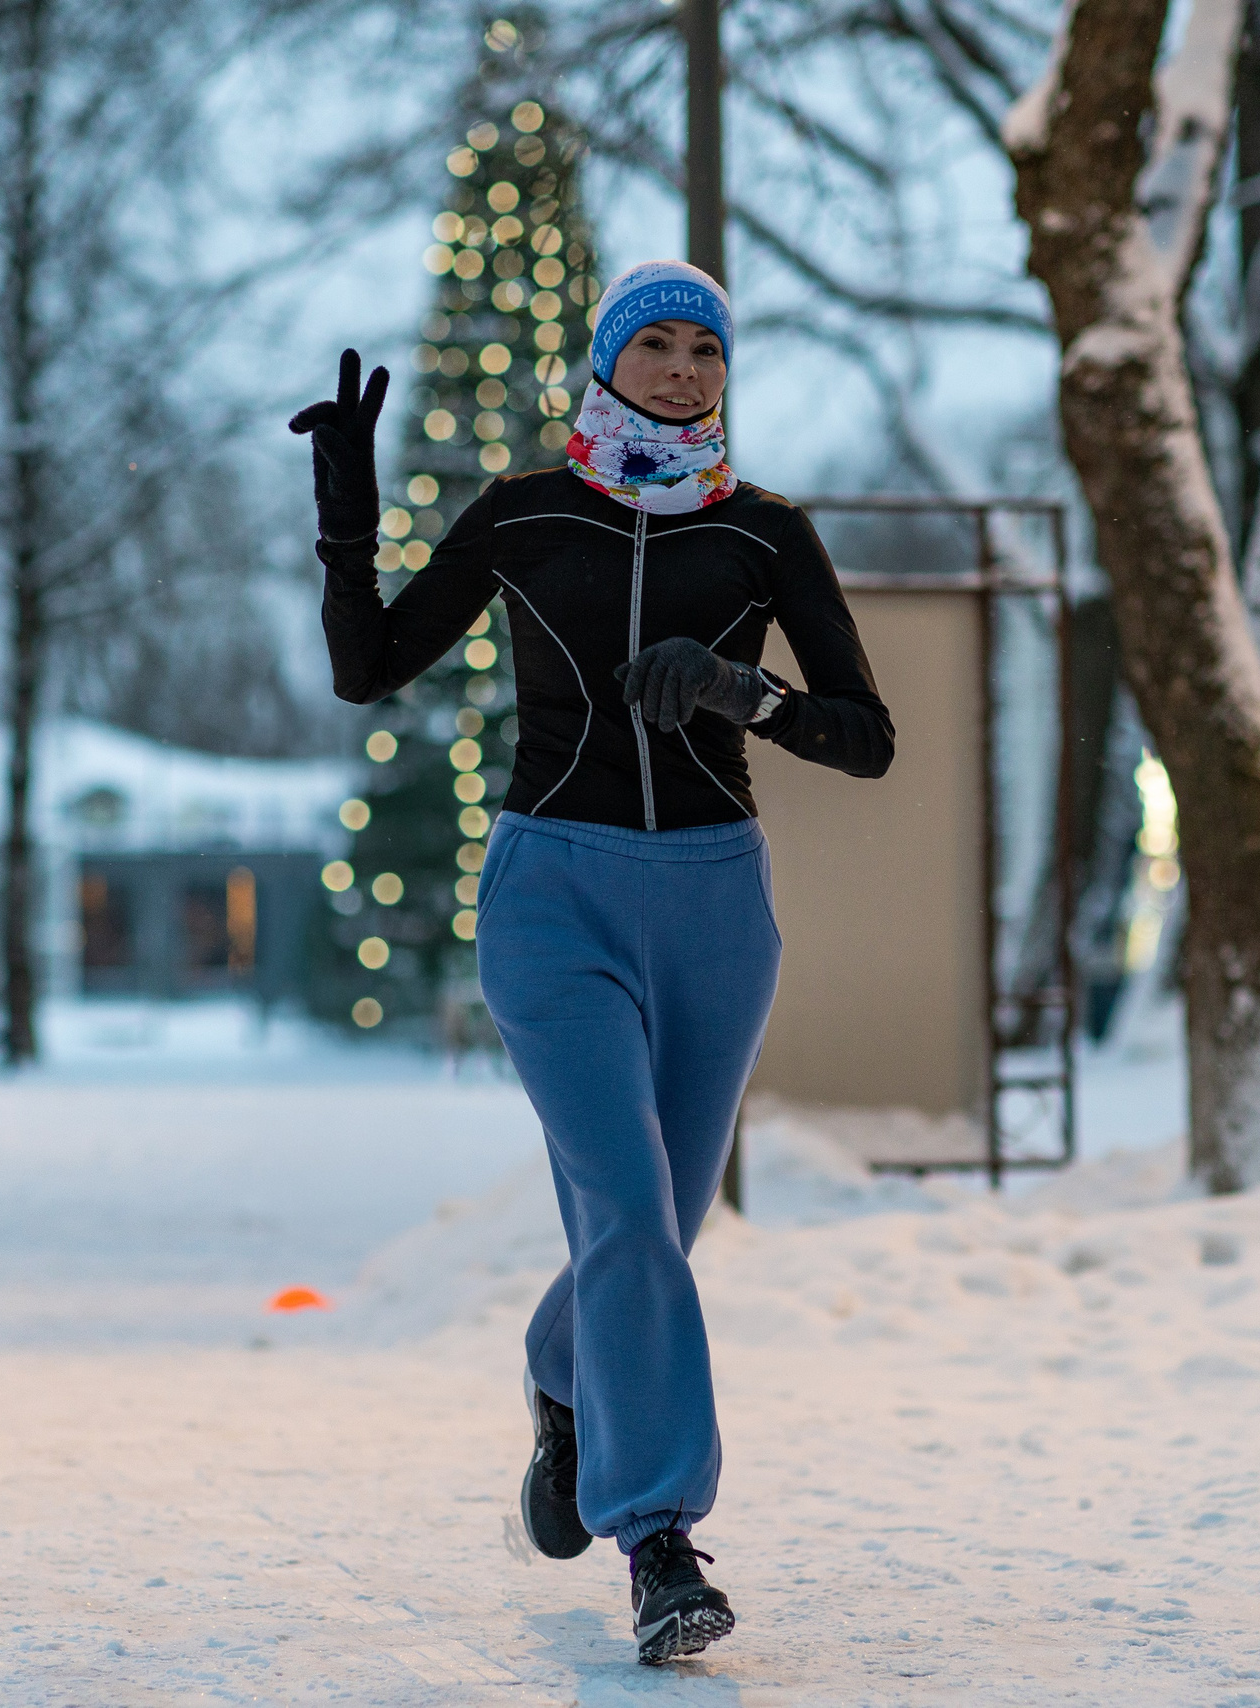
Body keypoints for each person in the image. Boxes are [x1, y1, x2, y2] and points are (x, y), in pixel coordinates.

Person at [293, 261, 893, 1666]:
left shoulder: (763, 535)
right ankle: (660, 1541)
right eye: (659, 346)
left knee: (655, 1229)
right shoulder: (524, 514)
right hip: (551, 896)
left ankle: (566, 1381)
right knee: (625, 1209)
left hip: (713, 906)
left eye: (707, 350)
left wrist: (744, 689)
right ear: (609, 363)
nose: (685, 371)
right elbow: (370, 668)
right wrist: (345, 516)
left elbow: (865, 737)